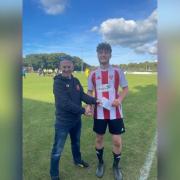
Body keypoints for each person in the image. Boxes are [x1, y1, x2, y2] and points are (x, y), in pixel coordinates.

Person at [50, 56, 99, 180]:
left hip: (76, 121)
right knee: (57, 150)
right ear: (60, 68)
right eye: (64, 67)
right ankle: (54, 175)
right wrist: (83, 110)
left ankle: (78, 161)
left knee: (76, 143)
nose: (67, 69)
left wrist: (95, 100)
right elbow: (64, 103)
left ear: (72, 67)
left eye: (69, 66)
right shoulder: (58, 82)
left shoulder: (75, 80)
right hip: (63, 122)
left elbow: (82, 95)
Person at [87, 42, 128, 180]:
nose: (103, 55)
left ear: (110, 54)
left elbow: (125, 88)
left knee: (117, 141)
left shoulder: (118, 71)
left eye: (106, 52)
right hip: (99, 113)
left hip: (115, 112)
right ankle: (100, 163)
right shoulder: (93, 74)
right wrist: (89, 105)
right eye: (101, 52)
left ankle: (116, 166)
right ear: (97, 55)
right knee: (99, 138)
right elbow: (89, 91)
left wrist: (119, 99)